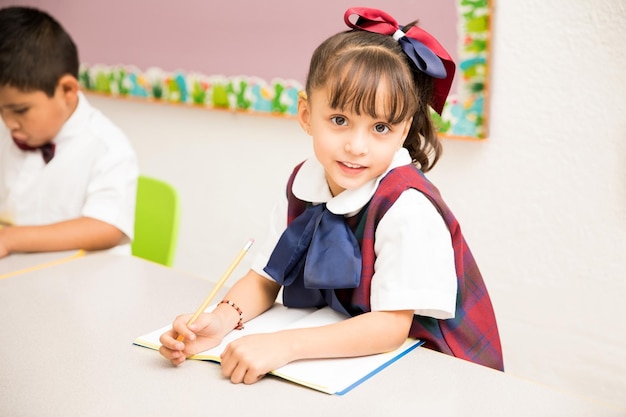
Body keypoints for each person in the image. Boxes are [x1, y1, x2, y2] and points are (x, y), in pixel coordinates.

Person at [159, 7, 504, 383]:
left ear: (404, 130)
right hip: (352, 361)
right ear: (306, 114)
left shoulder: (408, 207)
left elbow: (390, 327)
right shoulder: (303, 184)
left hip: (437, 372)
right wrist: (220, 320)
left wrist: (282, 346)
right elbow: (265, 279)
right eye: (340, 121)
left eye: (380, 127)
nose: (357, 146)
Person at [0, 6, 138, 258]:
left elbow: (107, 227)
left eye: (19, 110)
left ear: (67, 91)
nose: (8, 122)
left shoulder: (108, 146)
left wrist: (10, 239)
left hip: (89, 286)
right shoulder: (9, 133)